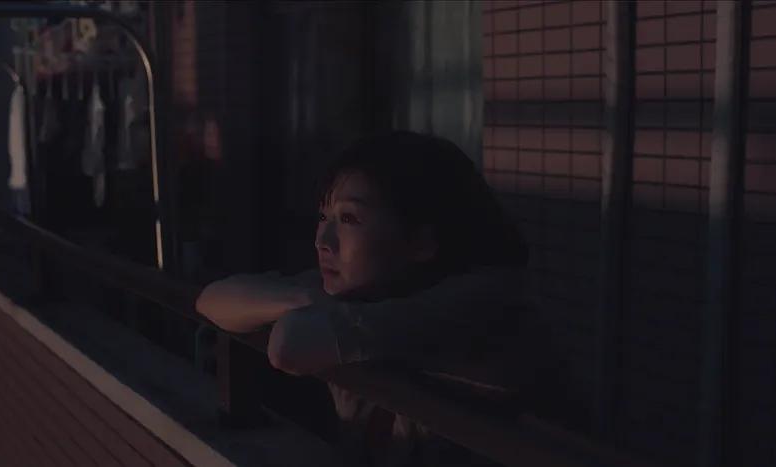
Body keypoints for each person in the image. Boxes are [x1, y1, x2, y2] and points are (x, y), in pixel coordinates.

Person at [195, 131, 540, 466]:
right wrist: (303, 295)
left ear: (421, 243)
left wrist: (312, 307)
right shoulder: (367, 289)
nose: (322, 241)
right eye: (323, 217)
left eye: (349, 218)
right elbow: (211, 301)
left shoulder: (478, 304)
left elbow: (290, 345)